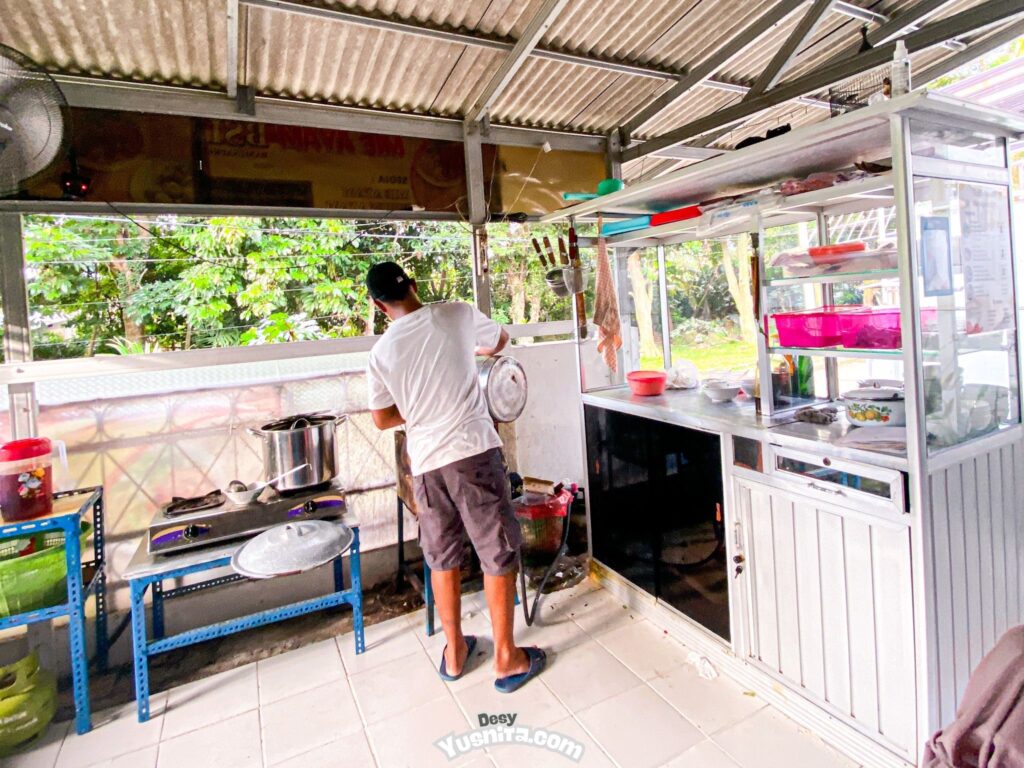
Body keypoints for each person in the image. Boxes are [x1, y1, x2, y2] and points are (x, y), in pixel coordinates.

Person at [364, 261, 545, 693]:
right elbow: (499, 340)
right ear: (412, 285)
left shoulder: (381, 353)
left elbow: (382, 418)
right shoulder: (456, 314)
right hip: (472, 453)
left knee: (442, 555)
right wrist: (459, 360)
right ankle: (505, 656)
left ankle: (454, 651)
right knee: (496, 549)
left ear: (376, 304)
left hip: (425, 463)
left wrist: (421, 403)